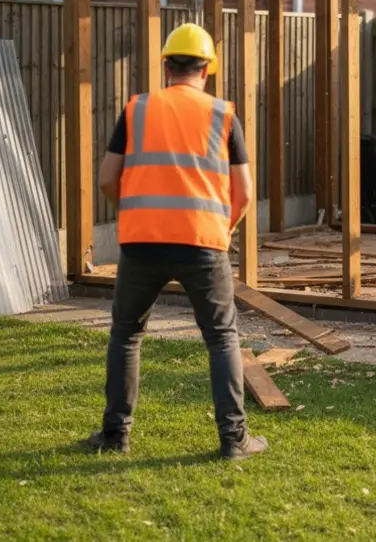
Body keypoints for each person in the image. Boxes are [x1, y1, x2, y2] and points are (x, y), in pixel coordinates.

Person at [85, 23, 267, 461]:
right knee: (222, 338)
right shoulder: (224, 114)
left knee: (126, 336)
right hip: (204, 243)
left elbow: (108, 179)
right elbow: (243, 191)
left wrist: (134, 212)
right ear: (207, 70)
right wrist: (225, 229)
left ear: (166, 65)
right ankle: (233, 440)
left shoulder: (137, 110)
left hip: (141, 242)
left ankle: (115, 436)